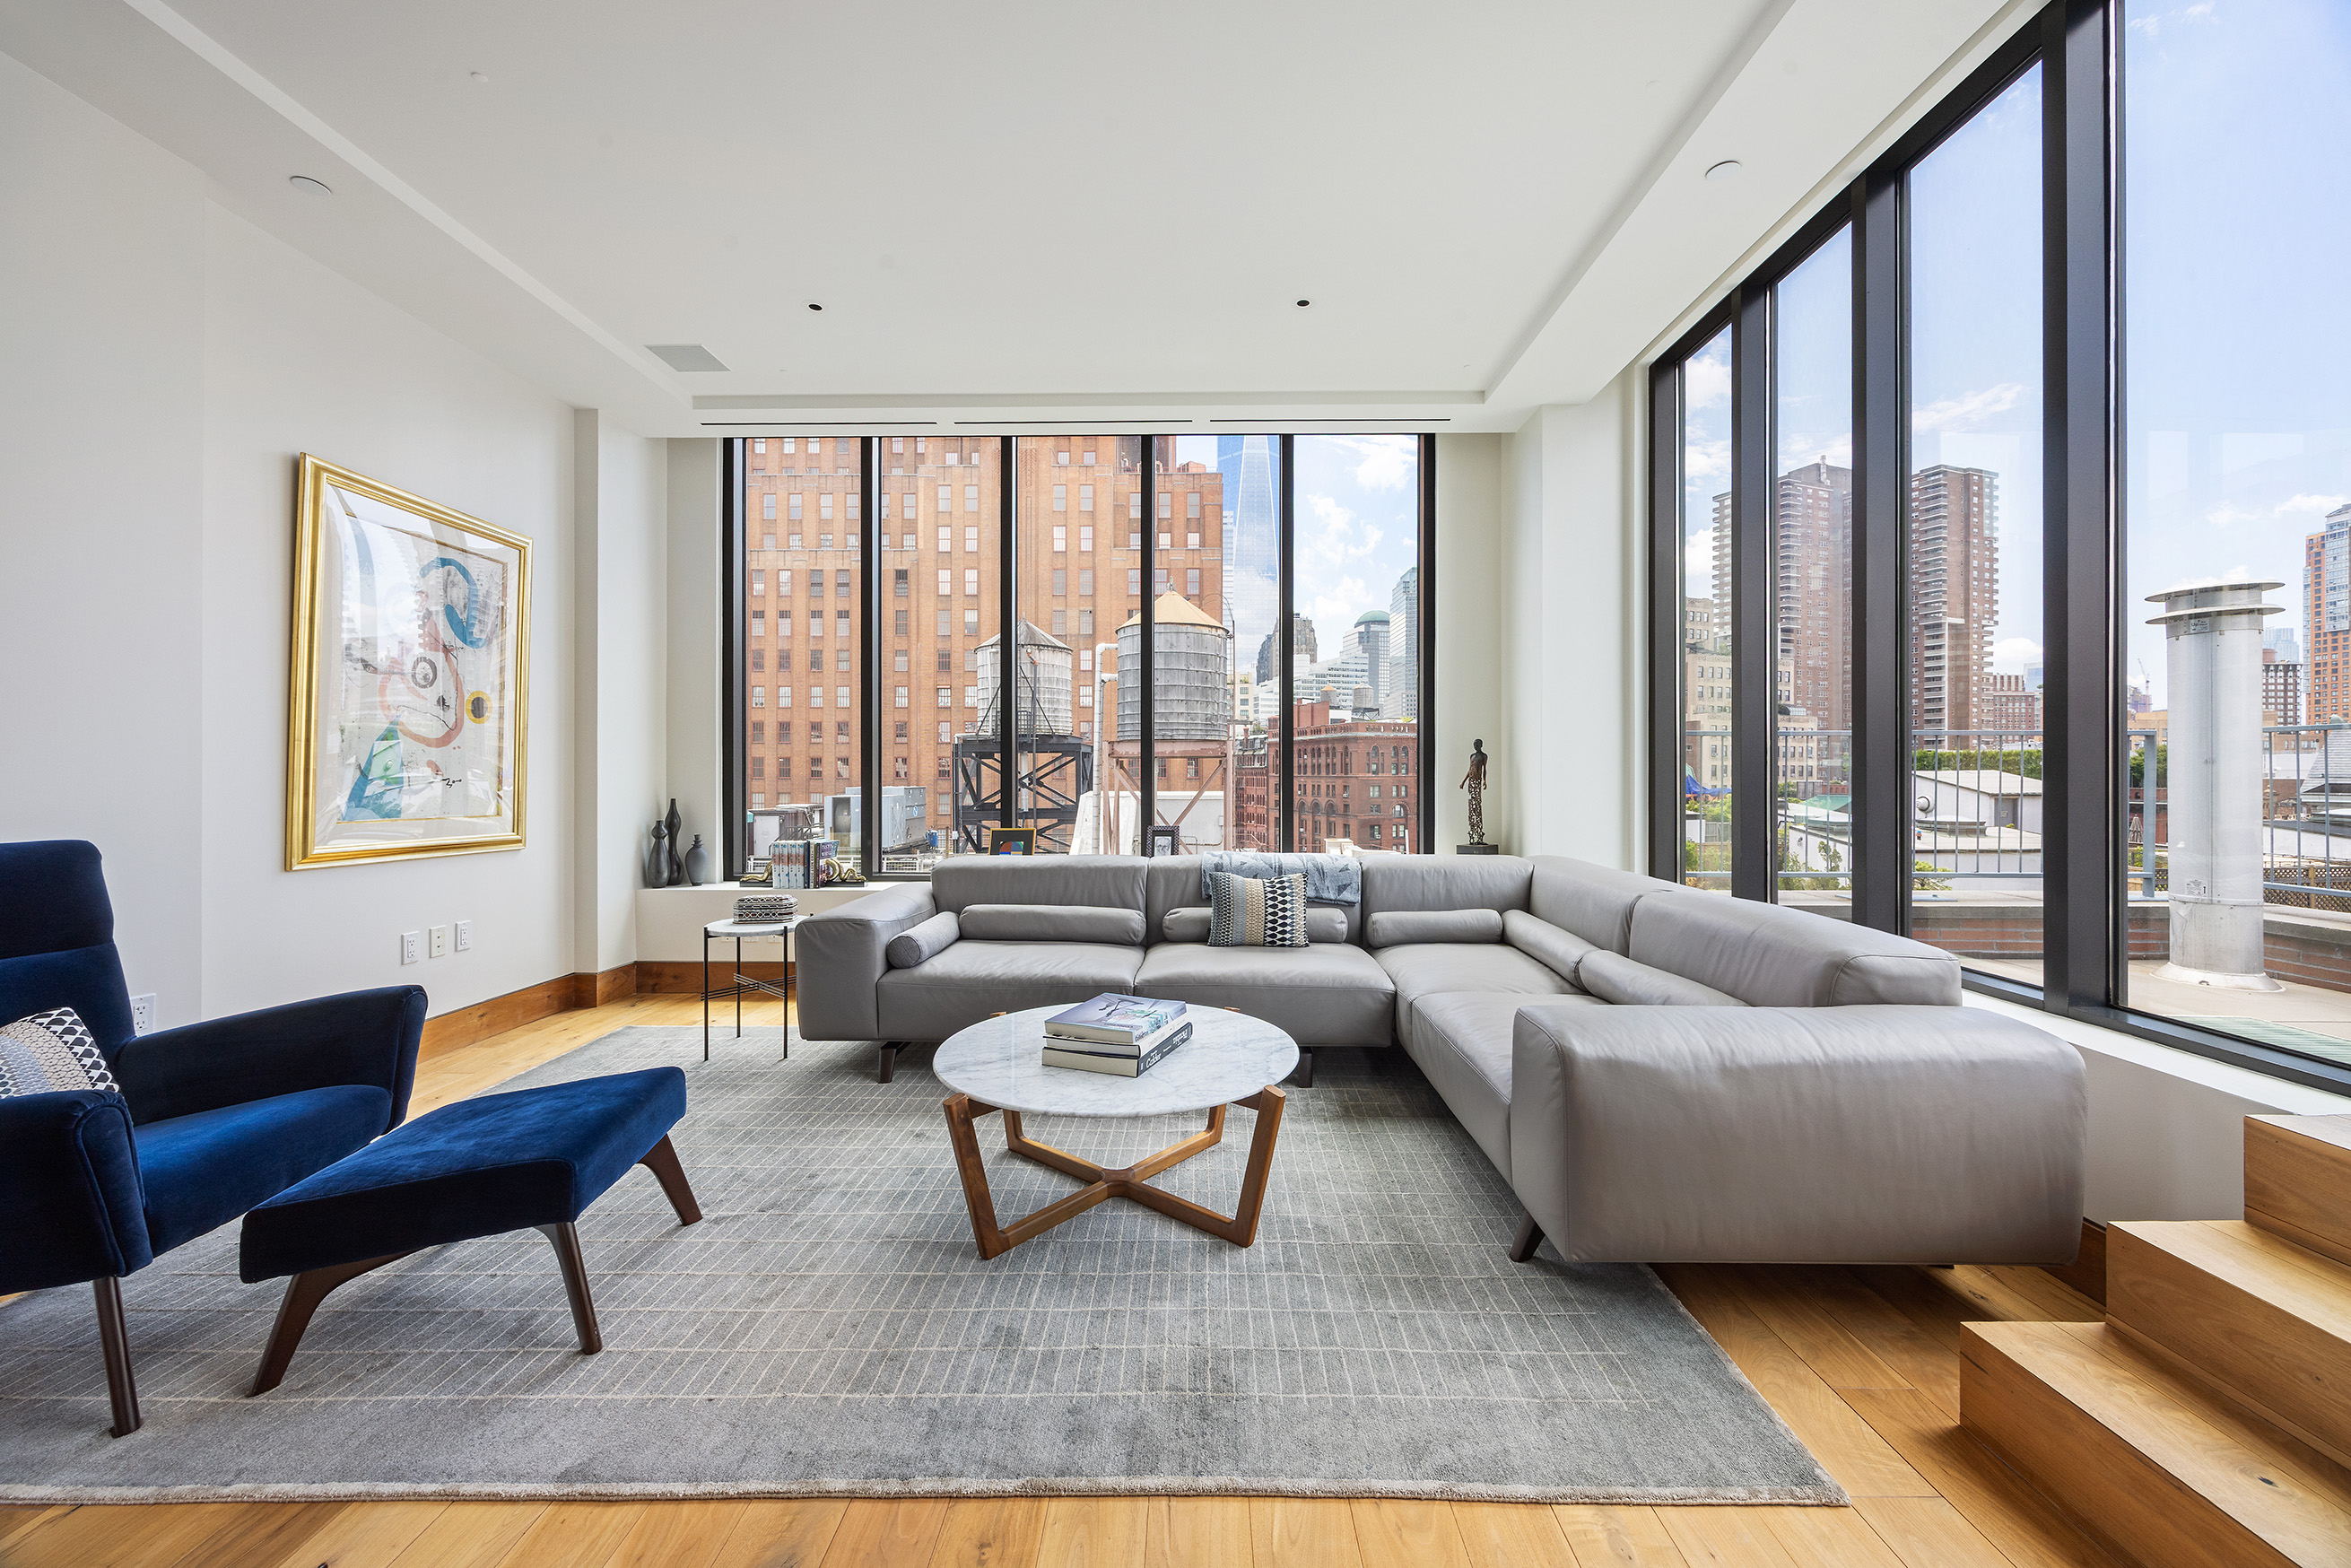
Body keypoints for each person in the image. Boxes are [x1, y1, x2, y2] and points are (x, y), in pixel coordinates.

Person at [1459, 739, 1489, 845]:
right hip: (1471, 781)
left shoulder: (1484, 756)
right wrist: (1463, 781)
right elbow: (1470, 769)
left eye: (1477, 744)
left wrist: (1485, 781)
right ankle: (1472, 832)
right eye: (1474, 744)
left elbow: (1484, 769)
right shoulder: (1472, 756)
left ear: (1481, 745)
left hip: (1477, 781)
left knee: (1477, 804)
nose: (1476, 746)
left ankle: (1479, 833)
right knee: (1472, 805)